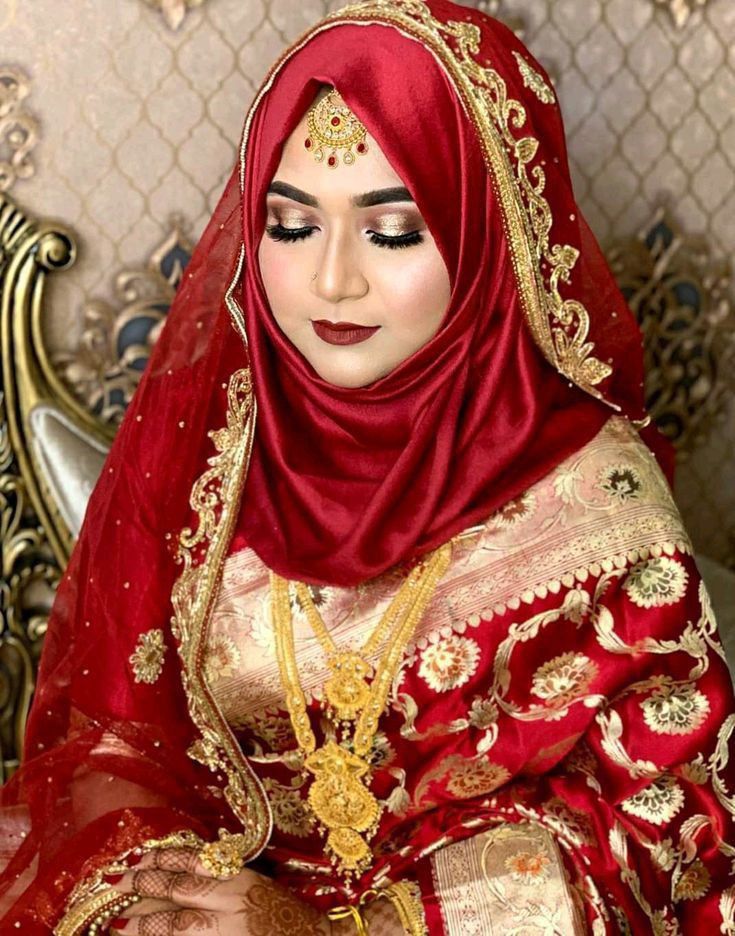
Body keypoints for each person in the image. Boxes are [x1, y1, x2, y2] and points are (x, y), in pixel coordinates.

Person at [2, 0, 734, 932]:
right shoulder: (209, 457)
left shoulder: (599, 497)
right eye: (291, 224)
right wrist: (168, 900)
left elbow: (666, 824)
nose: (332, 280)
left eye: (392, 231)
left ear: (488, 237)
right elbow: (110, 738)